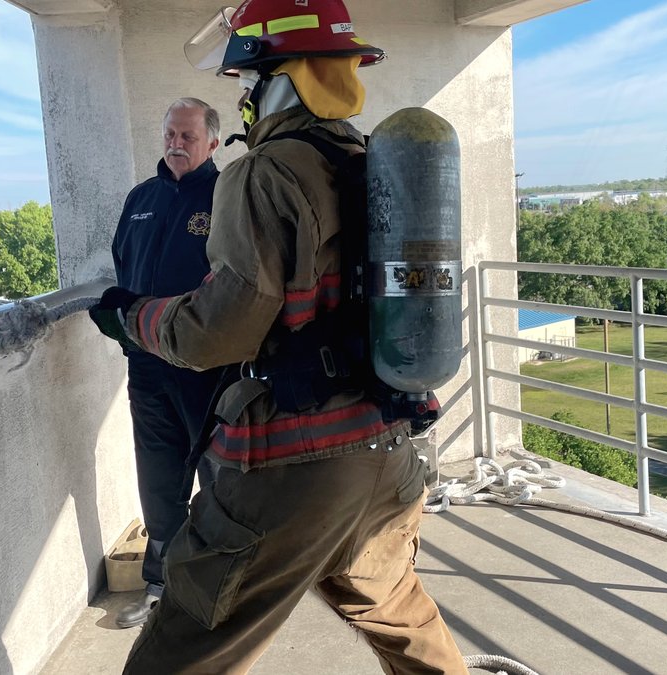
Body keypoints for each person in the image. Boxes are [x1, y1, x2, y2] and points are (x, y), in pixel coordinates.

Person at [89, 0, 468, 672]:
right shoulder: (366, 160)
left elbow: (220, 329)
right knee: (408, 630)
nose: (243, 101)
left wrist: (132, 317)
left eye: (245, 84)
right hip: (386, 454)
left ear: (277, 80)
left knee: (179, 648)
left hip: (294, 469)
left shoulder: (264, 171)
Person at [99, 97, 224, 629]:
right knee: (158, 476)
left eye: (188, 136)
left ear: (213, 143)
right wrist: (116, 315)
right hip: (147, 363)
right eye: (170, 134)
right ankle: (164, 588)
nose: (175, 143)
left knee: (220, 479)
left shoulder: (225, 197)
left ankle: (224, 588)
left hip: (207, 367)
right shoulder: (140, 198)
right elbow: (124, 265)